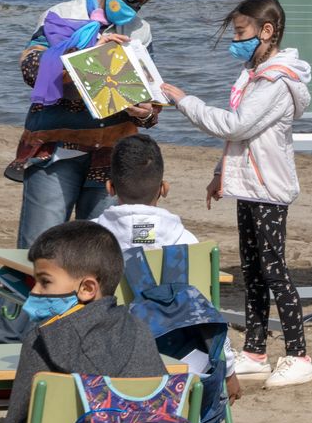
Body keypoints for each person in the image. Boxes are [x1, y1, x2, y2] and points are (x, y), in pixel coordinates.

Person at [160, 0, 312, 390]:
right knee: (252, 270)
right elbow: (241, 143)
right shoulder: (254, 73)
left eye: (241, 32)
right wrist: (220, 173)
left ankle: (299, 355)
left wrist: (183, 101)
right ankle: (255, 351)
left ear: (267, 31)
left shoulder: (276, 81)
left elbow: (237, 126)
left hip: (268, 190)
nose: (236, 39)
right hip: (247, 185)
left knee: (274, 269)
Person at [0, 221, 166, 423]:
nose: (34, 292)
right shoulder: (140, 332)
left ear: (87, 288)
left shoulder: (41, 340)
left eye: (45, 282)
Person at [6, 0, 162, 249]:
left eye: (143, 0)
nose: (136, 5)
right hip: (55, 150)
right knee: (40, 248)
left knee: (102, 252)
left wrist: (145, 111)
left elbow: (152, 104)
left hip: (112, 155)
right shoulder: (61, 16)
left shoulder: (139, 30)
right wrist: (88, 49)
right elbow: (31, 69)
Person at [94, 133, 242, 406]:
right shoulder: (189, 245)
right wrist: (229, 369)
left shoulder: (89, 238)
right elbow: (206, 313)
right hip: (177, 362)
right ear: (164, 188)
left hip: (103, 363)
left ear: (110, 187)